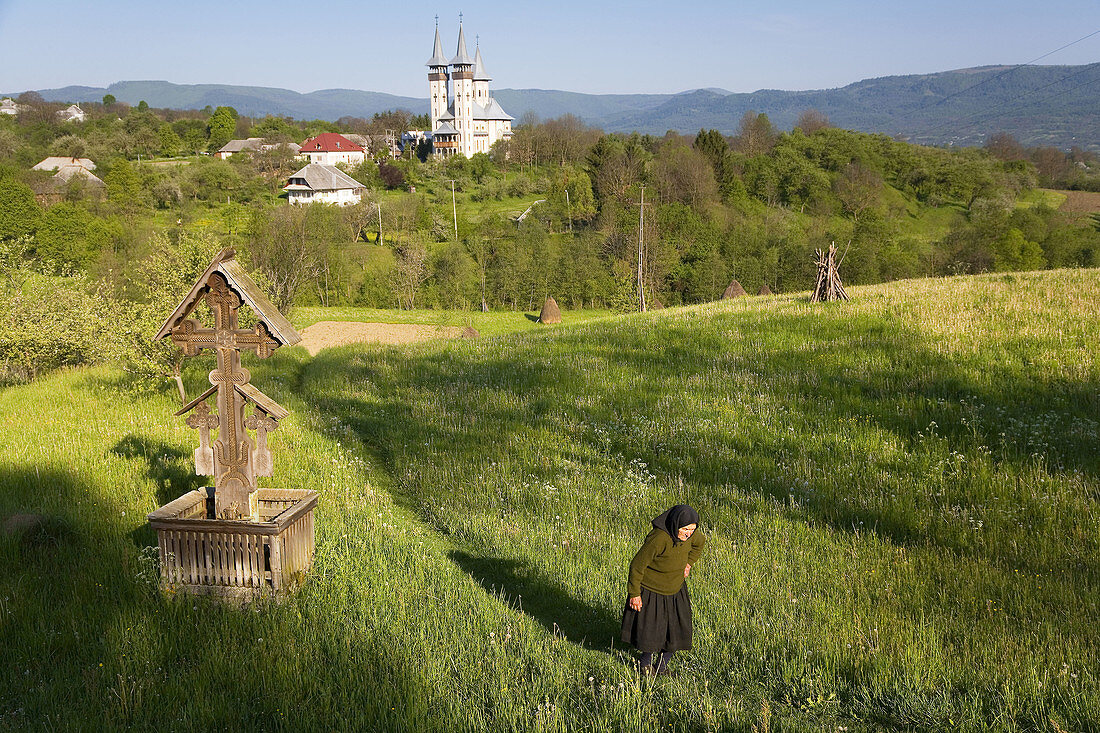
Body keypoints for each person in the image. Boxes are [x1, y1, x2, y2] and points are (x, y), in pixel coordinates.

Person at [621, 504, 705, 676]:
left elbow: (699, 544)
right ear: (676, 524)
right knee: (651, 632)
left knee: (676, 630)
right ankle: (645, 666)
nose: (689, 533)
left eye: (692, 529)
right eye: (685, 529)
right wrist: (634, 594)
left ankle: (661, 667)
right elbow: (637, 566)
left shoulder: (692, 536)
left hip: (676, 591)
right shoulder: (659, 539)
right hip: (652, 591)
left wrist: (689, 563)